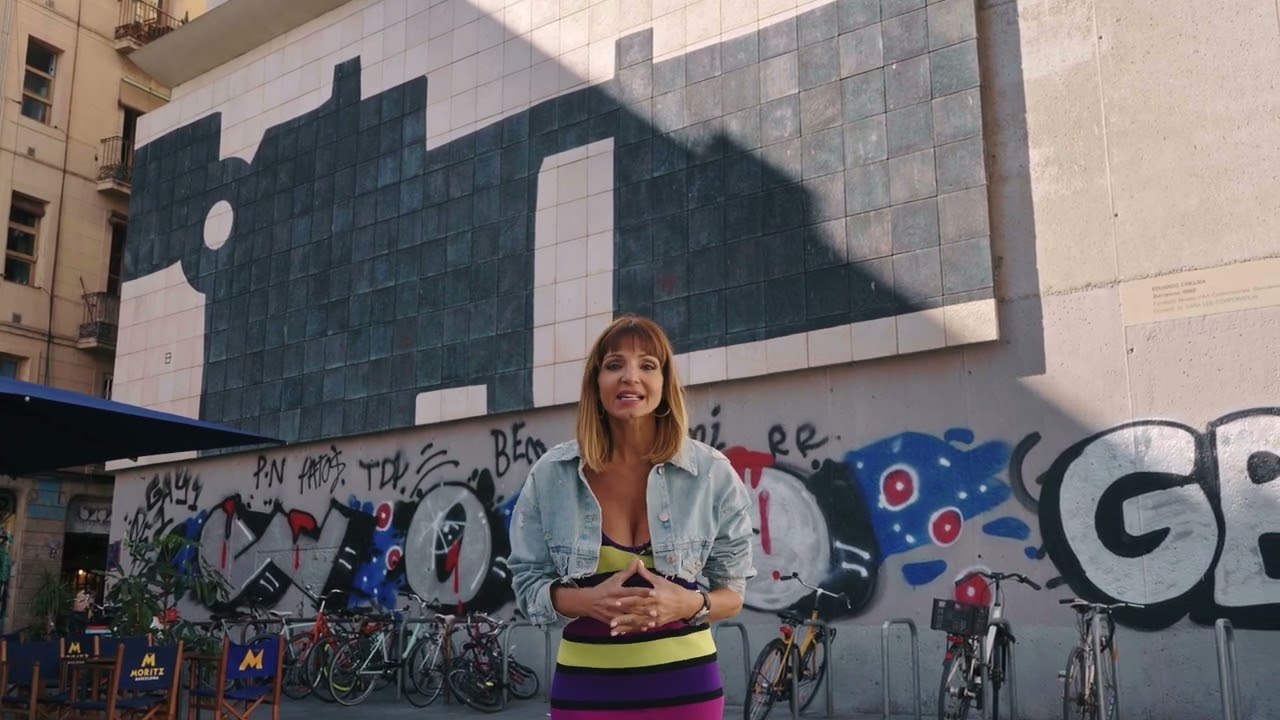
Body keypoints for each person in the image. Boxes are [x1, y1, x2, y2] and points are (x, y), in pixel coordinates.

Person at [509, 314, 756, 719]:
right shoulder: (553, 474)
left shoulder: (711, 473)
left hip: (687, 691)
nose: (630, 377)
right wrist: (587, 601)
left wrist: (687, 605)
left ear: (664, 381)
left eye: (647, 365)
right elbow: (527, 584)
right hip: (585, 691)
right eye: (614, 365)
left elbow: (733, 594)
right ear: (595, 383)